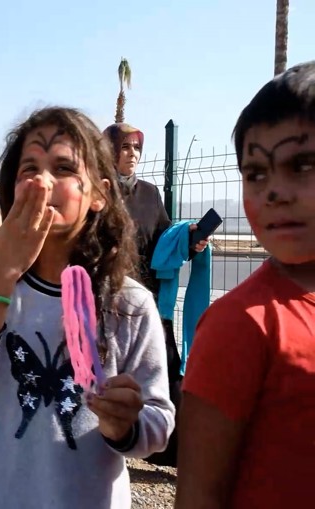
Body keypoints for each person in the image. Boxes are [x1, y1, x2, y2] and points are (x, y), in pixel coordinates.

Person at [0, 107, 174, 508]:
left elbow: (159, 423)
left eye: (63, 168)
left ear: (99, 194)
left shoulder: (129, 304)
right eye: (29, 167)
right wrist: (2, 277)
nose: (41, 181)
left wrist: (126, 425)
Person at [175, 61, 315, 509]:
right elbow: (198, 496)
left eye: (303, 165)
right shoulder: (239, 325)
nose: (274, 191)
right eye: (256, 173)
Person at [103, 122, 209, 467]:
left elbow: (164, 239)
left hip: (145, 300)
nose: (131, 154)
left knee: (167, 366)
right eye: (124, 147)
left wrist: (191, 240)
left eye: (136, 149)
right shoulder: (97, 193)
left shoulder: (149, 195)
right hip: (103, 300)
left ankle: (175, 454)